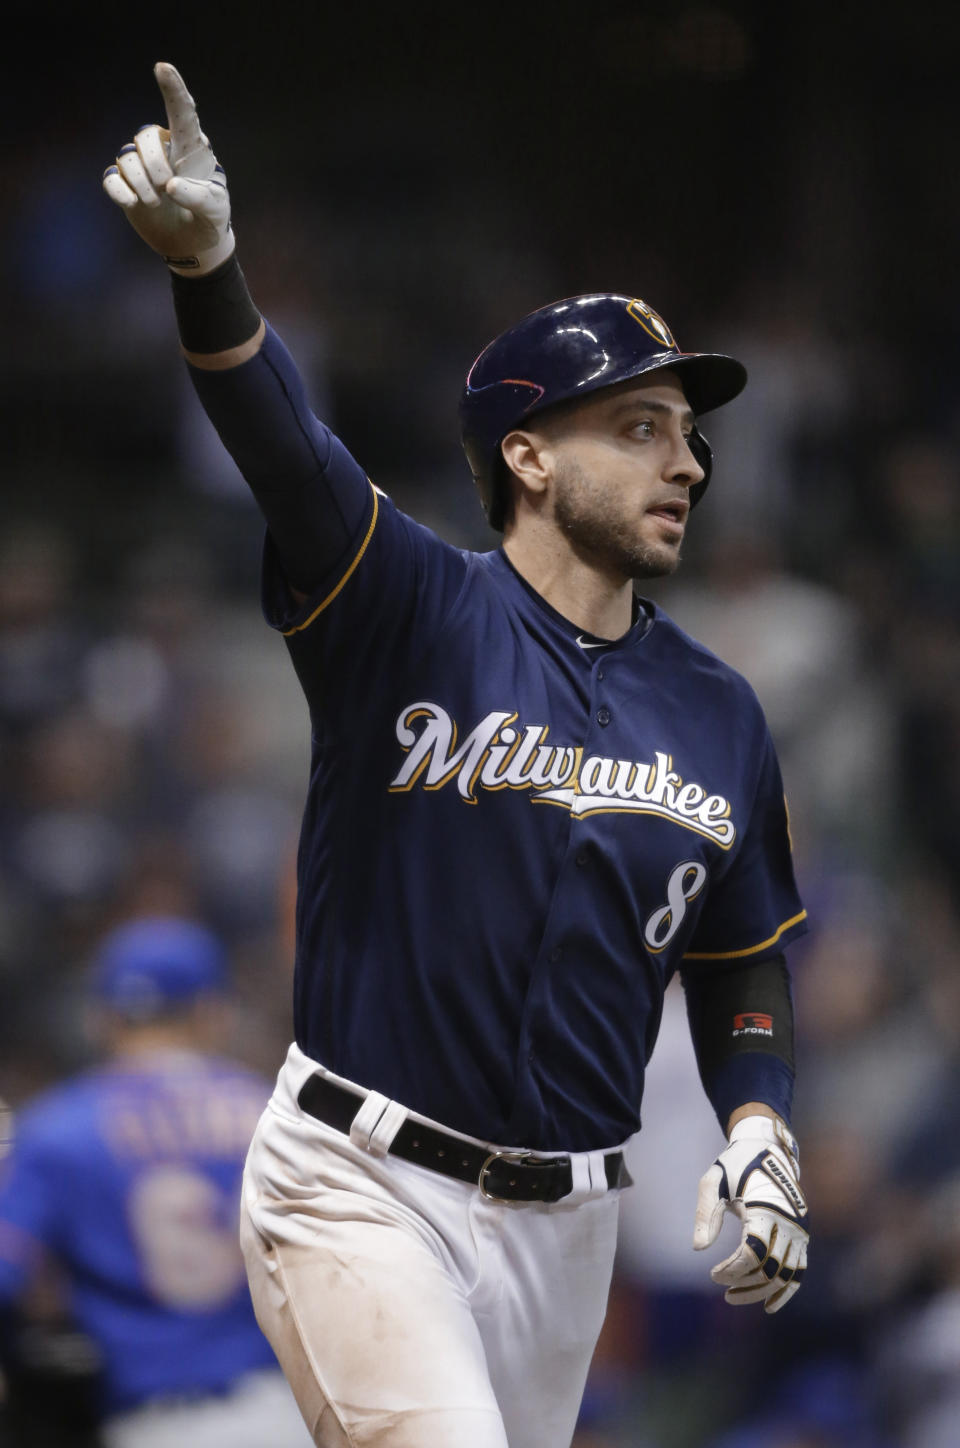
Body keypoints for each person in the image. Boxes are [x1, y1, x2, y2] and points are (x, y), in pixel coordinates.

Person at [101, 63, 811, 1448]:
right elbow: (289, 454)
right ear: (531, 456)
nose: (689, 464)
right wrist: (214, 276)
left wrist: (761, 1124)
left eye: (692, 435)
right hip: (361, 1182)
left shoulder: (719, 709)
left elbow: (739, 961)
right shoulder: (410, 606)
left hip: (571, 1234)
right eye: (642, 426)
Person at [0, 915, 313, 1448]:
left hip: (153, 1422)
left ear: (102, 1017)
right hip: (287, 1412)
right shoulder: (280, 1117)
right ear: (212, 1013)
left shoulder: (58, 1129)